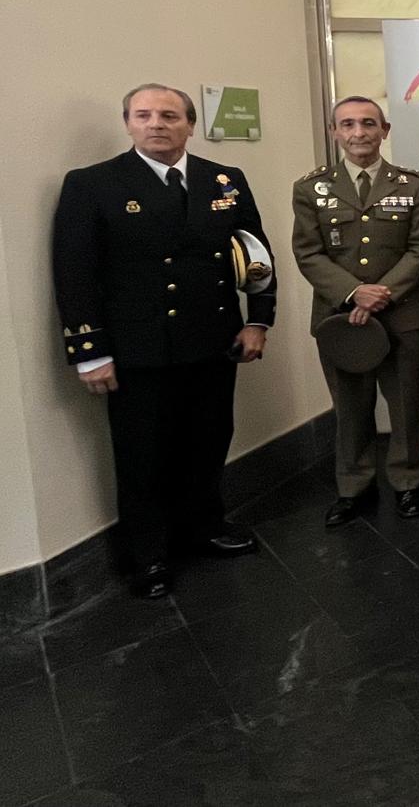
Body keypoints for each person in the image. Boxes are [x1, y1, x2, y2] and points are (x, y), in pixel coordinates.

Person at [51, 84, 274, 598]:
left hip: (214, 339)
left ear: (190, 125)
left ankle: (204, 527)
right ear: (127, 123)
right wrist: (90, 352)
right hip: (139, 349)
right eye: (144, 115)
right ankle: (147, 555)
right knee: (142, 455)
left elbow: (255, 255)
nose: (157, 124)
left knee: (208, 440)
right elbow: (75, 273)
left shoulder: (224, 179)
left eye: (170, 115)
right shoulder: (93, 184)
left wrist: (258, 321)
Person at [292, 96, 419, 528]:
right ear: (335, 132)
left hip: (401, 315)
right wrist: (354, 293)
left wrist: (382, 294)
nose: (359, 132)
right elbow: (308, 252)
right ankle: (353, 486)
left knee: (406, 406)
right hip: (340, 319)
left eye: (369, 123)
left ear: (384, 130)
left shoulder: (413, 185)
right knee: (350, 408)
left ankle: (408, 481)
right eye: (349, 124)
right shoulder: (311, 188)